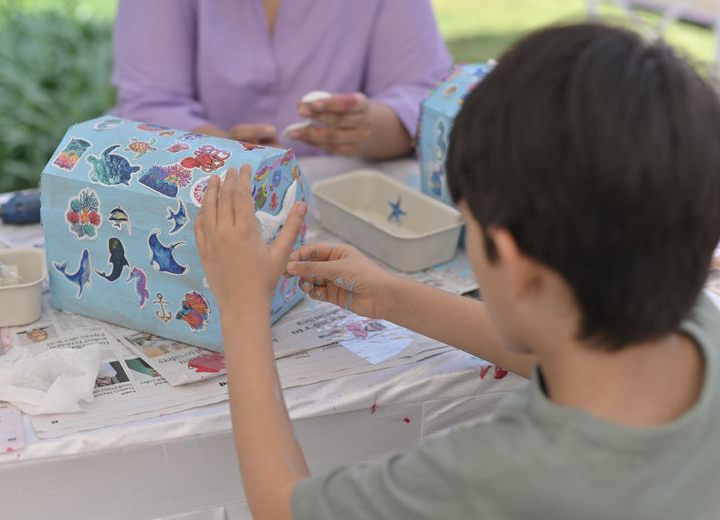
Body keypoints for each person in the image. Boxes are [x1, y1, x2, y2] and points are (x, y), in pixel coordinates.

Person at [194, 22, 720, 519]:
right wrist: (394, 297)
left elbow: (283, 507)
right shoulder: (693, 322)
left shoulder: (496, 474)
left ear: (510, 261)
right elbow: (563, 345)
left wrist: (243, 309)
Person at [112, 0, 452, 159]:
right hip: (201, 208)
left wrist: (365, 127)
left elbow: (427, 99)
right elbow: (150, 104)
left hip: (351, 209)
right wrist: (225, 151)